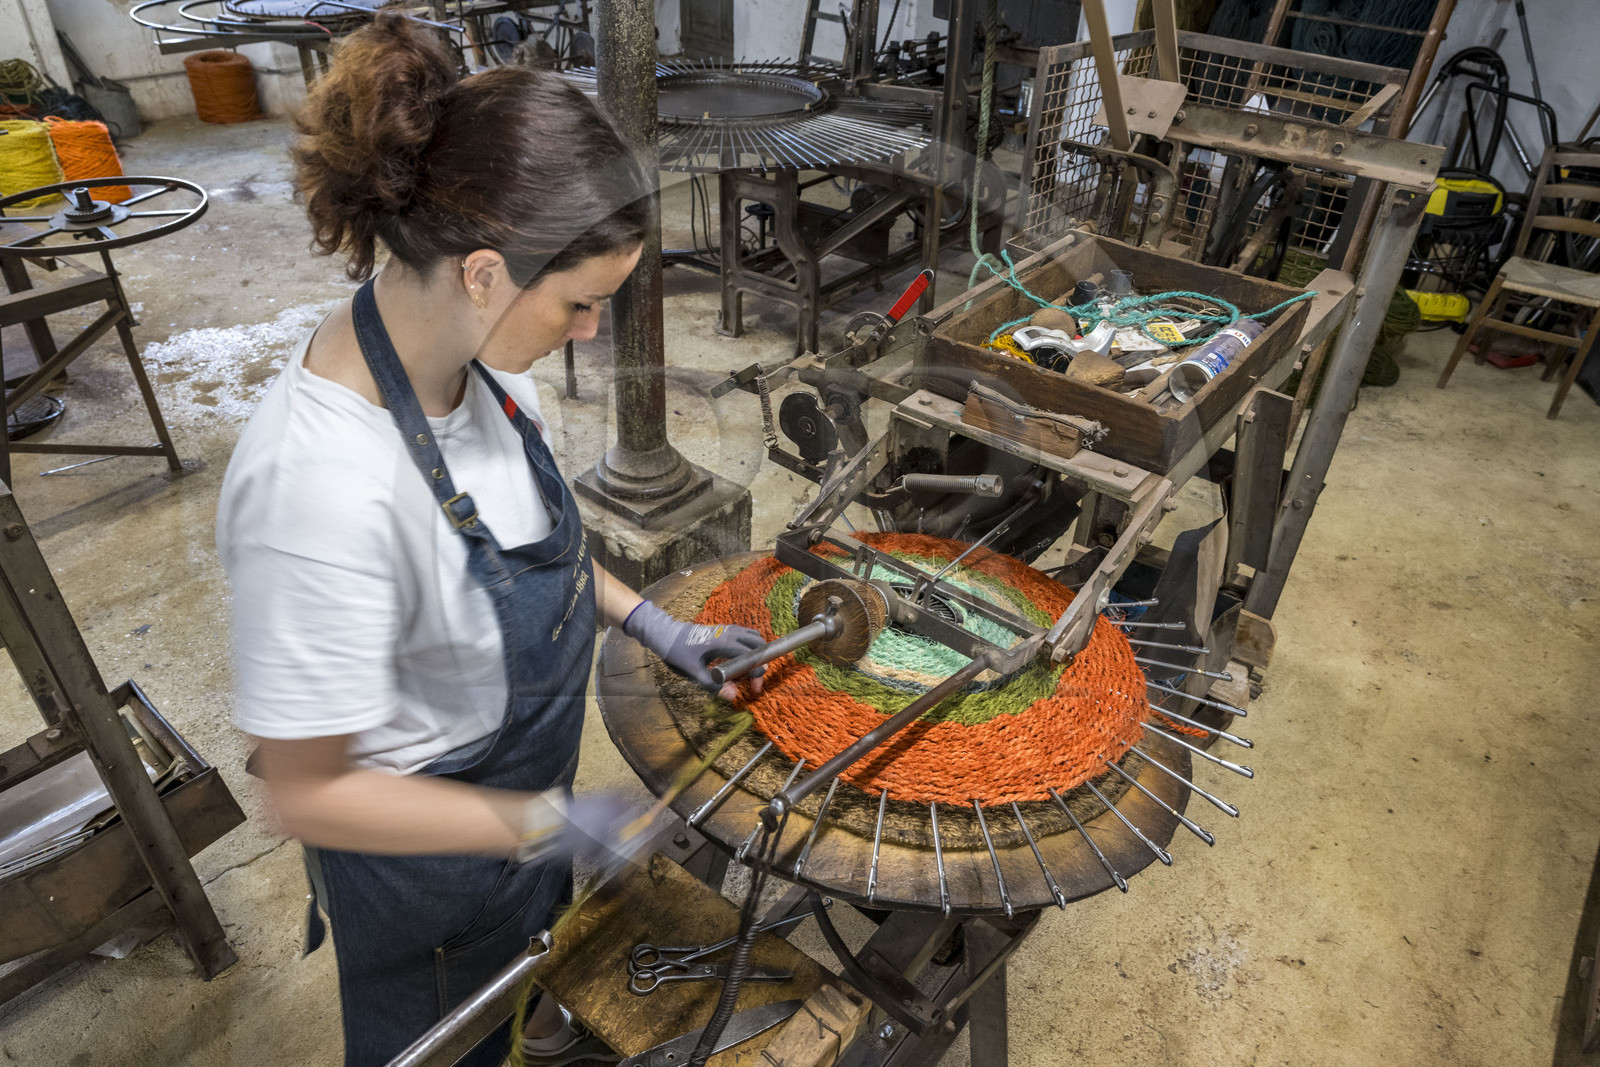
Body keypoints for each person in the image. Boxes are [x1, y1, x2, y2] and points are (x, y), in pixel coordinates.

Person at [215, 16, 764, 1067]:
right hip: (423, 872)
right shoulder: (319, 491)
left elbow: (538, 549)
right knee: (443, 1039)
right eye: (581, 303)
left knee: (527, 967)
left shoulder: (482, 368)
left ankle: (539, 1006)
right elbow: (305, 788)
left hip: (518, 810)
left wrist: (652, 619)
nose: (591, 333)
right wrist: (544, 822)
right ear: (481, 272)